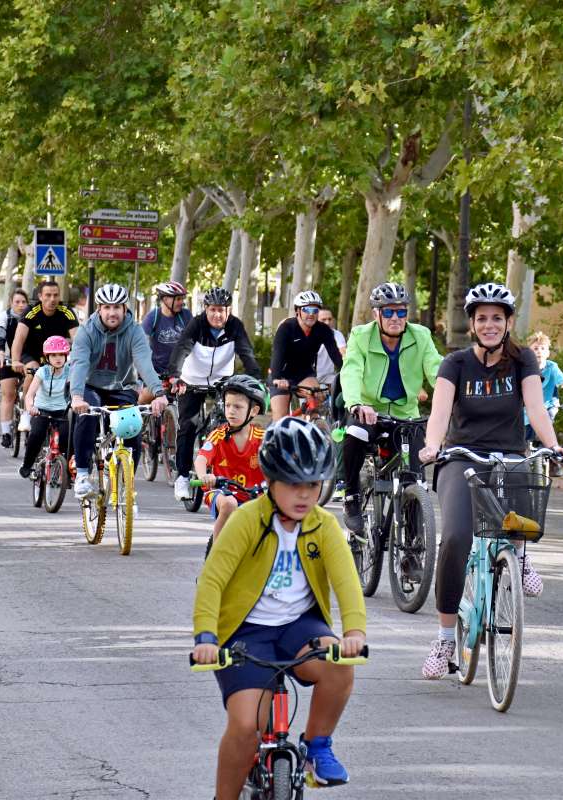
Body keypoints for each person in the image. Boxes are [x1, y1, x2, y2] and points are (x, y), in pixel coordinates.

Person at [192, 416, 366, 795]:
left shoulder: (324, 526)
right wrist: (206, 636)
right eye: (293, 484)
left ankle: (317, 748)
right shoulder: (246, 521)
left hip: (297, 627)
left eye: (313, 485)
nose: (305, 495)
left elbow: (347, 583)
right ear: (270, 481)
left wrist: (353, 633)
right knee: (245, 728)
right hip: (244, 633)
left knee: (340, 664)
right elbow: (213, 579)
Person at [417, 283, 563, 678]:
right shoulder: (455, 364)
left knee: (525, 504)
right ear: (472, 323)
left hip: (508, 453)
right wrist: (432, 446)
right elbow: (439, 413)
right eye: (482, 318)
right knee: (455, 538)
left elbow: (536, 408)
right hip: (461, 456)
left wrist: (554, 446)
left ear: (507, 323)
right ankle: (444, 638)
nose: (489, 325)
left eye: (497, 318)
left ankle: (519, 559)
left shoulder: (523, 360)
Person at [338, 282, 442, 533]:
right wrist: (356, 403)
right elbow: (351, 370)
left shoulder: (421, 336)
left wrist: (455, 396)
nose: (395, 318)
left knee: (416, 477)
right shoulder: (361, 336)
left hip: (407, 416)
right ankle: (351, 496)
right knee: (355, 433)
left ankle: (414, 546)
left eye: (401, 312)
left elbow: (437, 369)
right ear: (377, 314)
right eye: (388, 312)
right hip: (370, 412)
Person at [68, 283, 169, 499]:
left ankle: (126, 482)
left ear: (125, 309)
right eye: (107, 307)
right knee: (87, 415)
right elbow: (79, 363)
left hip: (123, 387)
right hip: (90, 386)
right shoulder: (86, 331)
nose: (112, 312)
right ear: (99, 309)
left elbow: (143, 363)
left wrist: (159, 393)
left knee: (131, 425)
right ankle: (83, 474)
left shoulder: (134, 332)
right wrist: (76, 396)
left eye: (117, 307)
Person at [168, 287, 262, 501]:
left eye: (222, 310)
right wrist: (175, 376)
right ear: (206, 309)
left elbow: (246, 352)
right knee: (188, 425)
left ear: (228, 311)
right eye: (213, 310)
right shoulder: (197, 324)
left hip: (222, 380)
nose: (217, 315)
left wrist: (255, 378)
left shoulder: (235, 326)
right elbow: (182, 348)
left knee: (228, 421)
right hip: (191, 380)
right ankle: (182, 476)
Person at [194, 374, 268, 544]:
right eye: (228, 405)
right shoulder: (218, 435)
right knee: (229, 504)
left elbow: (278, 461)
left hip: (254, 495)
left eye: (238, 406)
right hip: (221, 492)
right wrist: (204, 476)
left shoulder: (262, 438)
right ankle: (218, 554)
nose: (231, 411)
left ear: (254, 411)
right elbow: (201, 460)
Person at [11, 280, 78, 434]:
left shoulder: (67, 312)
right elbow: (19, 338)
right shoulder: (31, 311)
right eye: (48, 295)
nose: (52, 299)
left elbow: (78, 339)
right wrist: (15, 360)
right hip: (31, 353)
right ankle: (26, 413)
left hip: (57, 355)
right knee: (33, 371)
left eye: (55, 295)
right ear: (40, 296)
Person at [269, 291, 343, 421]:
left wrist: (347, 372)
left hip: (304, 374)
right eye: (307, 309)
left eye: (315, 310)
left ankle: (306, 424)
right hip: (281, 374)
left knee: (317, 398)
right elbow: (277, 355)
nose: (311, 314)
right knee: (281, 418)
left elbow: (336, 356)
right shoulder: (286, 327)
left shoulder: (323, 330)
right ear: (298, 310)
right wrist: (276, 378)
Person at [20, 335, 73, 479]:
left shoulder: (70, 371)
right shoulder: (42, 372)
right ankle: (27, 464)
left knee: (68, 438)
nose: (58, 358)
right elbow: (29, 395)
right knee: (36, 435)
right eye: (54, 355)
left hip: (62, 411)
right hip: (42, 411)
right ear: (47, 357)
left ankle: (67, 468)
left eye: (61, 354)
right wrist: (31, 407)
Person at [523, 331, 563, 441]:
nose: (539, 352)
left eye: (542, 349)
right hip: (529, 410)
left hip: (548, 406)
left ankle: (546, 444)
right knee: (525, 437)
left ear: (548, 353)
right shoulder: (524, 368)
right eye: (535, 349)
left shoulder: (552, 368)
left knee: (545, 419)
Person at [0, 289, 30, 448]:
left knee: (32, 393)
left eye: (23, 302)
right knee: (8, 394)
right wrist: (0, 353)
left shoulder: (31, 316)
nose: (21, 305)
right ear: (11, 303)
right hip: (7, 359)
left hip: (28, 360)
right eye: (17, 302)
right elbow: (0, 335)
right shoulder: (5, 317)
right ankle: (6, 432)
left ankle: (28, 420)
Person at [141, 281, 192, 376]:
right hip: (158, 372)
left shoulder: (186, 315)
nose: (181, 302)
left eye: (182, 299)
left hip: (182, 372)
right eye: (178, 299)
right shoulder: (153, 317)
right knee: (146, 391)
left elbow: (195, 340)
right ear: (165, 299)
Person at [314, 307, 347, 388]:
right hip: (308, 377)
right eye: (323, 319)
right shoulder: (309, 335)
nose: (327, 322)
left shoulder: (337, 334)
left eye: (329, 319)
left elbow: (343, 352)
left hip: (328, 377)